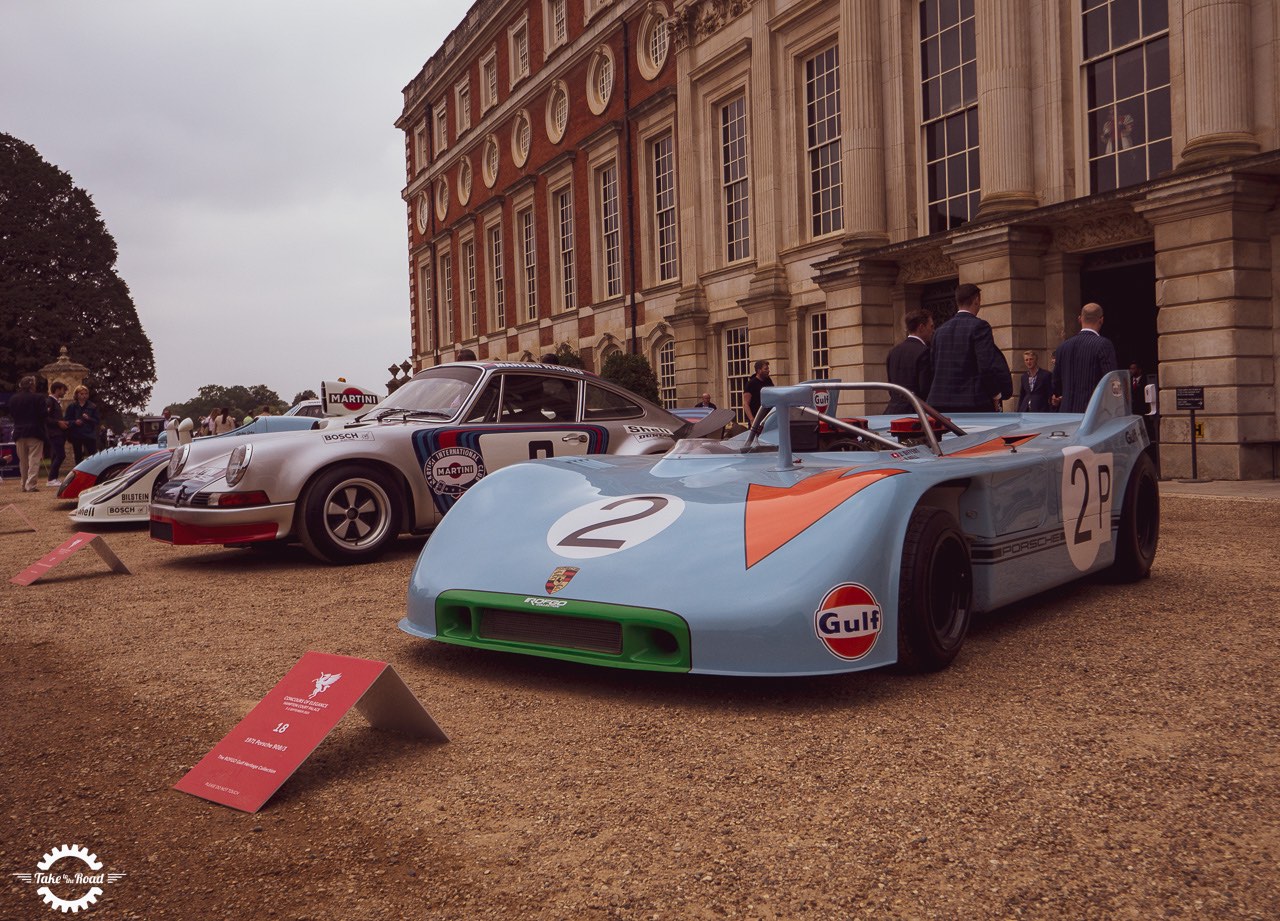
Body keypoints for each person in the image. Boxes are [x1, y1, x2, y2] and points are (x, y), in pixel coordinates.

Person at [926, 284, 1012, 413]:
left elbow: (933, 367)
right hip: (973, 402)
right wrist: (996, 394)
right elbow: (986, 366)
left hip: (940, 402)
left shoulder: (939, 331)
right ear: (976, 300)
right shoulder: (980, 326)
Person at [1052, 302, 1118, 413]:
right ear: (1101, 320)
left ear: (1080, 319)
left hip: (1066, 413)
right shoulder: (1103, 345)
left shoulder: (1062, 347)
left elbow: (1055, 384)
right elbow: (1111, 381)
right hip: (1093, 414)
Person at [885, 308, 935, 414]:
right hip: (915, 414)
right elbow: (925, 389)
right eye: (931, 326)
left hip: (892, 412)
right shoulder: (924, 352)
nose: (933, 330)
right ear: (921, 327)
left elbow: (891, 388)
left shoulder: (893, 352)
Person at [8, 375, 48, 492]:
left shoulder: (13, 399)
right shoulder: (39, 398)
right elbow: (43, 415)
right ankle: (30, 484)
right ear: (32, 385)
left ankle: (23, 484)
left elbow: (12, 415)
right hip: (35, 431)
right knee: (34, 459)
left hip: (19, 432)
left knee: (23, 461)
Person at [65, 385, 100, 464]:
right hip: (76, 435)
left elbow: (97, 421)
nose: (84, 396)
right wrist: (74, 422)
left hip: (89, 434)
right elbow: (66, 420)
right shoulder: (72, 407)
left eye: (86, 394)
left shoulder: (92, 406)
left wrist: (89, 419)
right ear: (77, 395)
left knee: (93, 455)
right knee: (78, 456)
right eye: (81, 394)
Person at [44, 381, 69, 487]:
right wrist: (58, 422)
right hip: (54, 433)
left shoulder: (56, 402)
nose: (64, 393)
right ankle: (51, 479)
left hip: (58, 433)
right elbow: (45, 417)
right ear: (58, 389)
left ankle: (53, 478)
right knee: (61, 455)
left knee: (55, 456)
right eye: (63, 390)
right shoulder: (49, 401)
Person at [742, 360, 774, 426]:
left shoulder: (768, 381)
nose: (768, 371)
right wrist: (752, 419)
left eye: (768, 368)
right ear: (759, 370)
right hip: (757, 419)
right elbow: (746, 404)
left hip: (769, 419)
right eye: (766, 369)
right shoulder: (751, 384)